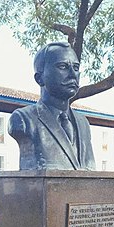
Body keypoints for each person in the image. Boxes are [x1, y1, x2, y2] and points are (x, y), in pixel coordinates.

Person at [8, 41, 96, 170]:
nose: (73, 74)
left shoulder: (83, 123)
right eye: (63, 67)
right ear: (39, 78)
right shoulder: (23, 120)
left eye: (76, 68)